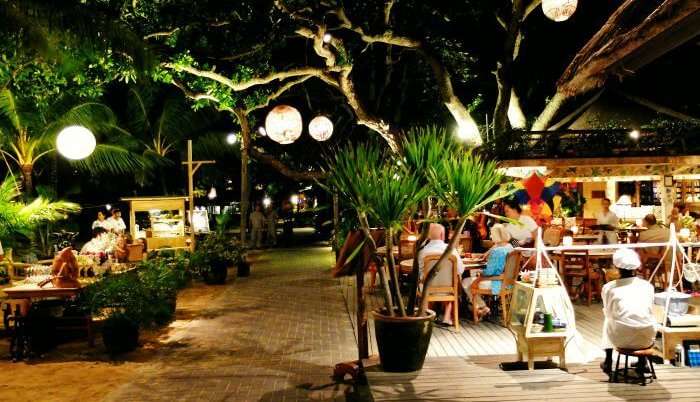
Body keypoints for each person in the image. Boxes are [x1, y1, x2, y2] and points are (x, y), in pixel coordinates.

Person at [600, 248, 657, 376]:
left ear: (616, 267)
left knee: (608, 320)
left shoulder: (609, 288)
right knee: (641, 316)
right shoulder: (647, 286)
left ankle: (608, 360)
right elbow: (649, 308)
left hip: (621, 338)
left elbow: (608, 312)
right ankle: (642, 362)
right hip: (647, 337)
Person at [417, 223, 464, 327]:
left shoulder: (422, 251)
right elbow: (460, 270)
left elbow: (419, 272)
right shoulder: (451, 250)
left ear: (428, 236)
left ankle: (427, 314)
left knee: (423, 282)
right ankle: (447, 316)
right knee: (453, 282)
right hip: (448, 289)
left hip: (427, 288)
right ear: (443, 235)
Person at [462, 225, 513, 318]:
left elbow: (489, 272)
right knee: (472, 279)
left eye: (492, 234)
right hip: (508, 284)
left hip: (497, 284)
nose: (490, 236)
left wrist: (480, 272)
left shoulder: (498, 251)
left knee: (465, 282)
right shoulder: (510, 247)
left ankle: (482, 307)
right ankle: (480, 307)